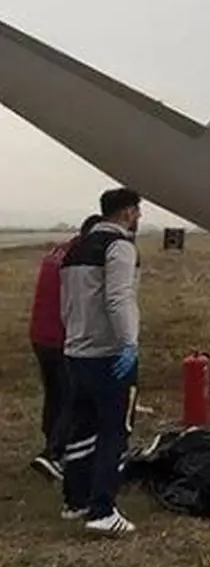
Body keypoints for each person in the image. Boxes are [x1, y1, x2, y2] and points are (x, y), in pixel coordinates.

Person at [58, 187, 142, 535]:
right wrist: (129, 343)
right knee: (113, 431)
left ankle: (75, 501)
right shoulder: (119, 246)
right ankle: (102, 510)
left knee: (81, 427)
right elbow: (119, 297)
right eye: (137, 211)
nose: (139, 218)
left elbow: (67, 304)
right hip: (108, 355)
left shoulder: (75, 248)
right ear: (125, 213)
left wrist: (74, 336)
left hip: (75, 351)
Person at [28, 213, 103, 480]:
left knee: (55, 393)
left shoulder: (58, 251)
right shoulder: (81, 258)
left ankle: (50, 443)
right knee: (72, 396)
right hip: (61, 338)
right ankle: (54, 454)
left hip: (40, 334)